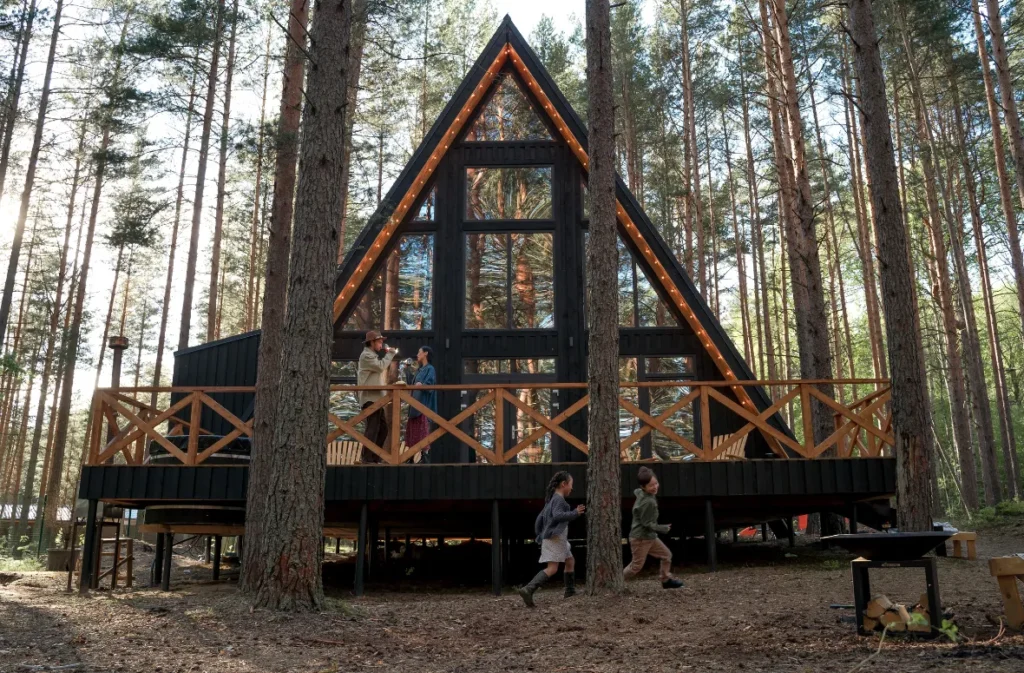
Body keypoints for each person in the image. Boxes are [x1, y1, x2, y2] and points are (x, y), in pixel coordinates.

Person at [519, 471, 586, 607]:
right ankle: (528, 589)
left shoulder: (551, 500)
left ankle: (570, 590)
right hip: (554, 539)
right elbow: (557, 516)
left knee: (570, 560)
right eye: (571, 485)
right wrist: (575, 513)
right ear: (563, 484)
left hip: (559, 539)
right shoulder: (558, 499)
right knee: (552, 568)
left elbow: (541, 519)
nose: (572, 489)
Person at [623, 466, 684, 588]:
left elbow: (637, 491)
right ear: (643, 487)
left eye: (656, 483)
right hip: (640, 538)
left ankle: (666, 580)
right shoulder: (648, 502)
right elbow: (647, 524)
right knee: (636, 567)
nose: (655, 487)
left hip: (649, 537)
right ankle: (616, 581)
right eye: (651, 486)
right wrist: (663, 528)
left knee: (666, 555)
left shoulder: (642, 493)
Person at [357, 330, 397, 463]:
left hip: (376, 399)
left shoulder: (372, 355)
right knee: (372, 429)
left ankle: (374, 457)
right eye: (379, 342)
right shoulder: (366, 356)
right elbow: (380, 367)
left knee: (383, 429)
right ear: (372, 342)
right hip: (370, 398)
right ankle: (367, 459)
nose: (381, 344)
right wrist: (390, 354)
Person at [406, 346, 437, 463]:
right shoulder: (419, 370)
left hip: (424, 404)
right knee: (413, 430)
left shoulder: (430, 369)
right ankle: (411, 456)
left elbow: (429, 385)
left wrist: (422, 384)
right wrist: (407, 370)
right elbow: (411, 383)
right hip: (415, 403)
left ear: (425, 353)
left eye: (419, 352)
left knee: (423, 430)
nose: (417, 354)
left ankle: (425, 456)